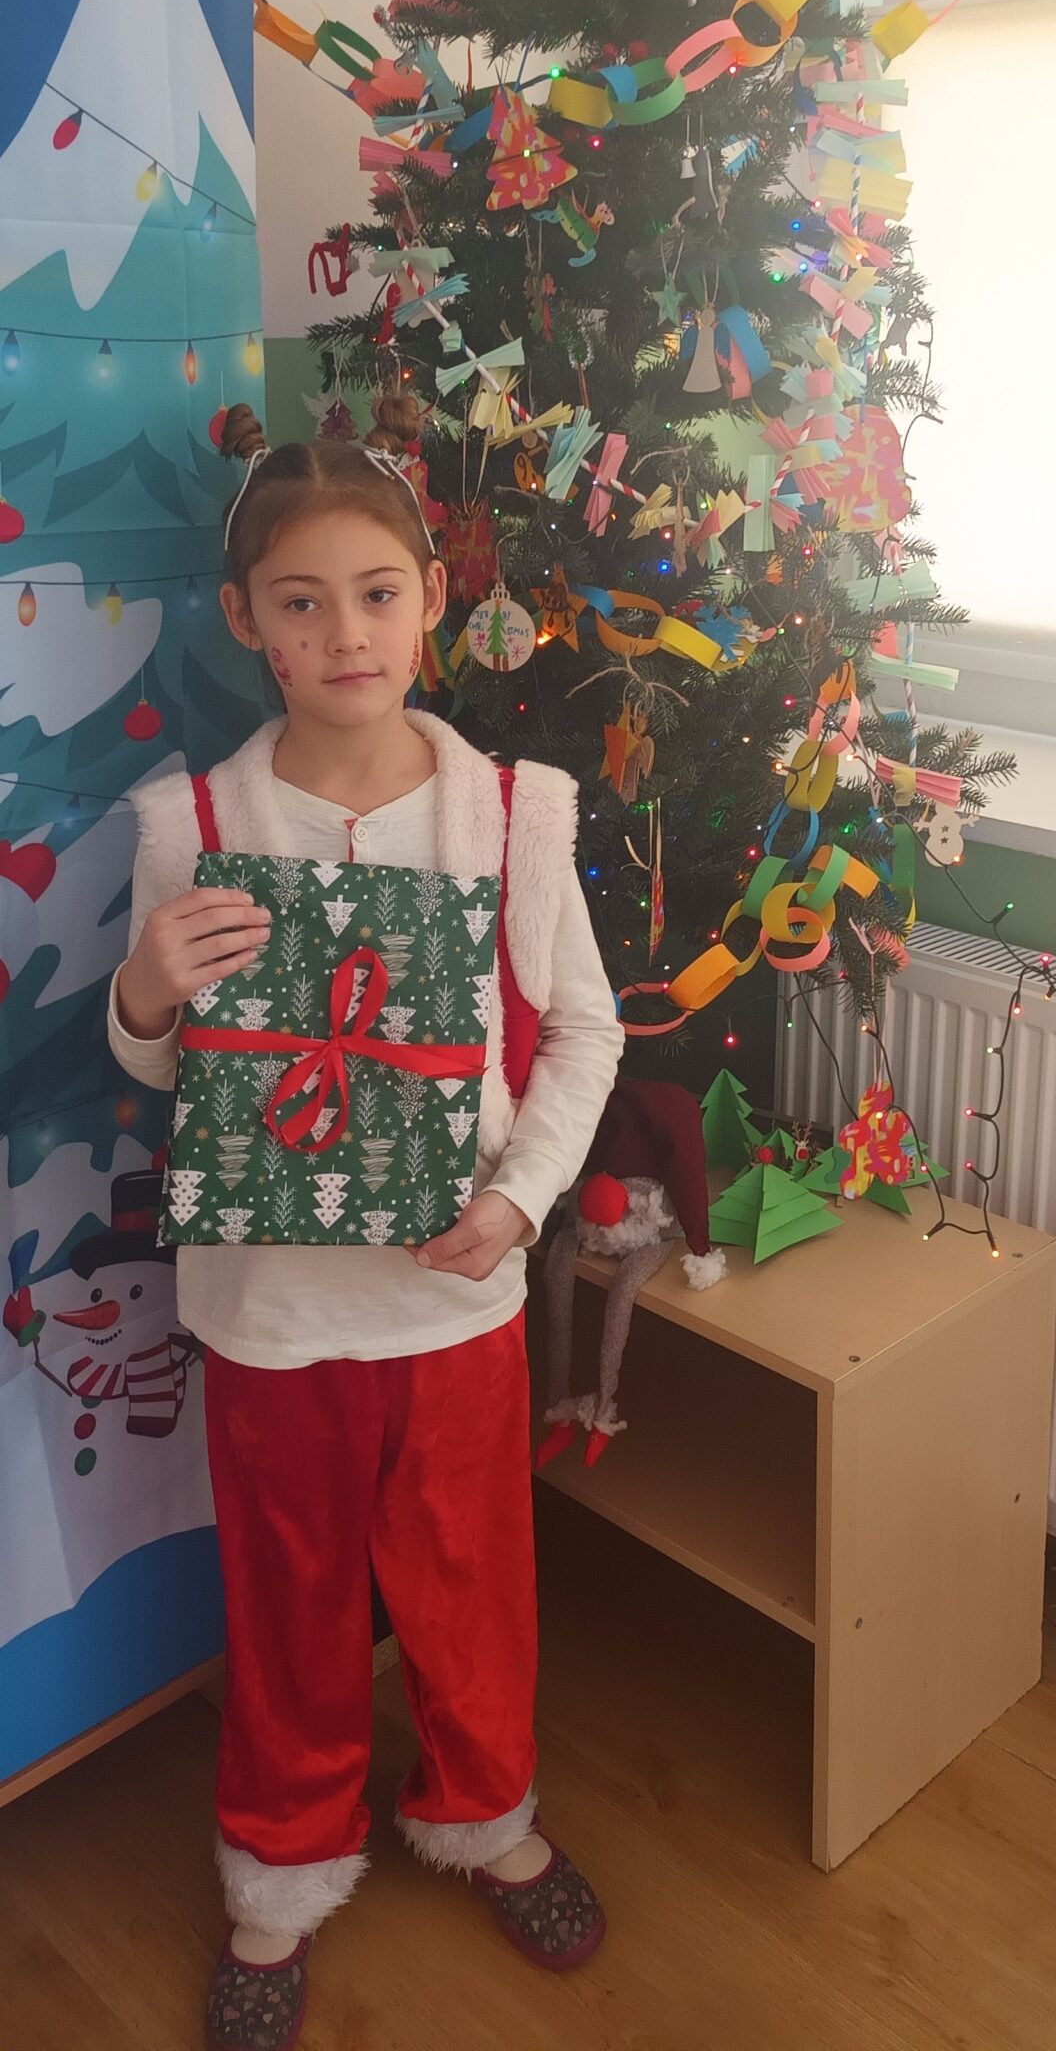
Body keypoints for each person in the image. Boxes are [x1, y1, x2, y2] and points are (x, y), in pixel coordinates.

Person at [108, 397, 623, 2048]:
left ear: (433, 600)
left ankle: (486, 1811)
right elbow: (161, 1056)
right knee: (292, 1600)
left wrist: (520, 1202)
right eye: (303, 600)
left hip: (452, 1300)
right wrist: (144, 990)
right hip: (272, 1309)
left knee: (472, 1586)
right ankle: (279, 1866)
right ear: (246, 620)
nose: (346, 632)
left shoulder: (512, 814)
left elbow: (585, 1030)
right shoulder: (195, 826)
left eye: (378, 592)